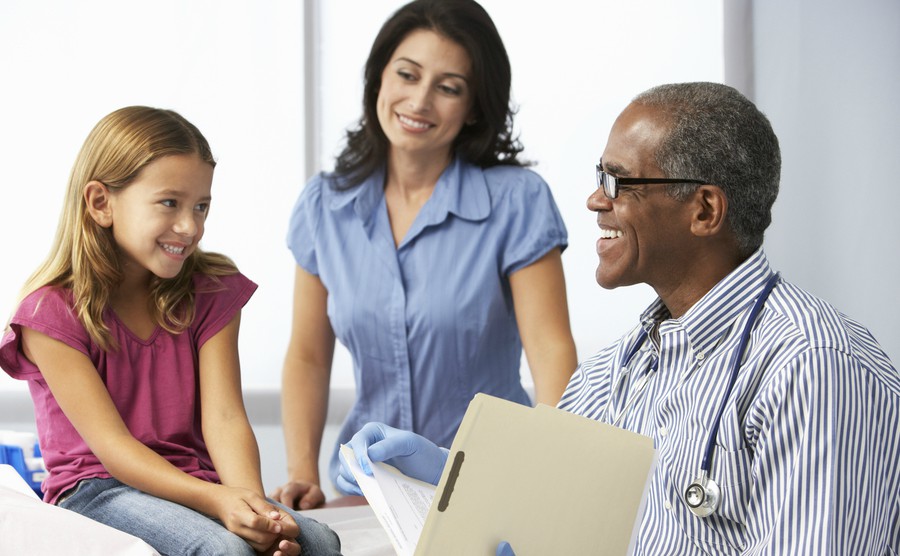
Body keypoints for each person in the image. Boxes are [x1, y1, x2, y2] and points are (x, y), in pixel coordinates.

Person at [339, 82, 900, 555]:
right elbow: (546, 506)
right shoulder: (609, 375)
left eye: (618, 181)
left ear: (704, 210)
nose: (593, 200)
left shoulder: (816, 369)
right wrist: (440, 475)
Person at [273, 0, 577, 509]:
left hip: (491, 485)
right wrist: (303, 471)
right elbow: (307, 355)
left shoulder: (517, 201)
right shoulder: (324, 206)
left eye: (448, 87)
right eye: (407, 75)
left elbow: (551, 352)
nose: (419, 101)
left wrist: (548, 484)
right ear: (379, 79)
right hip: (368, 486)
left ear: (474, 105)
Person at [0, 107, 341, 556]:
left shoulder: (211, 291)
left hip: (195, 478)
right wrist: (220, 502)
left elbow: (224, 418)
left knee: (317, 540)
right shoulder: (50, 314)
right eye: (169, 203)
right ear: (101, 203)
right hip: (97, 490)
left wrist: (254, 509)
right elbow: (113, 448)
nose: (190, 226)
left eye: (202, 206)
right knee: (224, 551)